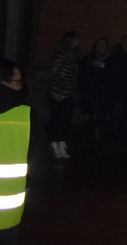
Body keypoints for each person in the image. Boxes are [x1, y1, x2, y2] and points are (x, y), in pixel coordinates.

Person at [0, 59, 51, 244]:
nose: (21, 86)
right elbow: (41, 159)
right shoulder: (26, 116)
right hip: (6, 215)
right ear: (3, 83)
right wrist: (31, 183)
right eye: (17, 81)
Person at [46, 31, 80, 160]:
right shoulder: (61, 54)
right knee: (57, 120)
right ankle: (54, 145)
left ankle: (62, 144)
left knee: (65, 121)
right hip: (58, 93)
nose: (78, 42)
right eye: (76, 39)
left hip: (69, 93)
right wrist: (61, 86)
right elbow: (55, 72)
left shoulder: (75, 55)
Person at [79, 36, 114, 142]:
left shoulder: (111, 59)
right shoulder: (88, 58)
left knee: (102, 115)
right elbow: (83, 75)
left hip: (105, 93)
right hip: (91, 92)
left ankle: (100, 136)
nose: (100, 47)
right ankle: (91, 135)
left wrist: (102, 65)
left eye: (102, 44)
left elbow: (114, 74)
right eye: (98, 44)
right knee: (92, 115)